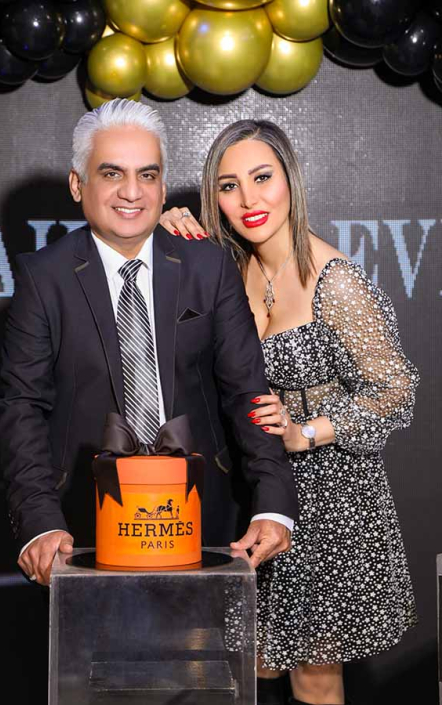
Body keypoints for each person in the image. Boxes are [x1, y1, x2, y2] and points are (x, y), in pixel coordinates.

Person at [160, 119, 419, 705]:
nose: (248, 200)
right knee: (252, 667)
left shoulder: (336, 280)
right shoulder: (222, 265)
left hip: (332, 500)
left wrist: (307, 431)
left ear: (290, 180)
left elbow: (396, 390)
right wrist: (162, 224)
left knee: (314, 676)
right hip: (252, 488)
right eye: (229, 186)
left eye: (262, 178)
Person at [0, 101, 299, 588]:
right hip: (82, 521)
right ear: (77, 184)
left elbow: (248, 391)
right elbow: (22, 406)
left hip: (205, 514)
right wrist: (39, 521)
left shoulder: (209, 266)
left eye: (147, 175)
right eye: (111, 173)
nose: (132, 192)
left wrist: (273, 504)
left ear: (162, 186)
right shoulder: (43, 276)